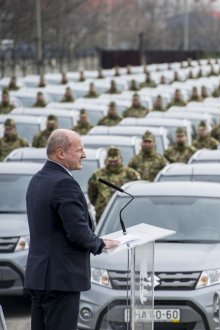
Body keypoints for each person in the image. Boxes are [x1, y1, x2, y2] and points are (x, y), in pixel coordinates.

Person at [25, 129, 119, 330]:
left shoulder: (37, 179)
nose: (83, 155)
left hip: (40, 276)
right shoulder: (64, 183)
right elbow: (76, 231)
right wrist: (100, 243)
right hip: (61, 279)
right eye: (79, 150)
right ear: (61, 153)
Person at [87, 146, 140, 220]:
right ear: (106, 160)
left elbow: (137, 194)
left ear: (121, 159)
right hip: (103, 215)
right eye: (110, 161)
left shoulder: (131, 174)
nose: (113, 164)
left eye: (115, 161)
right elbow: (92, 195)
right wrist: (100, 205)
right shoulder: (97, 175)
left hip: (126, 215)